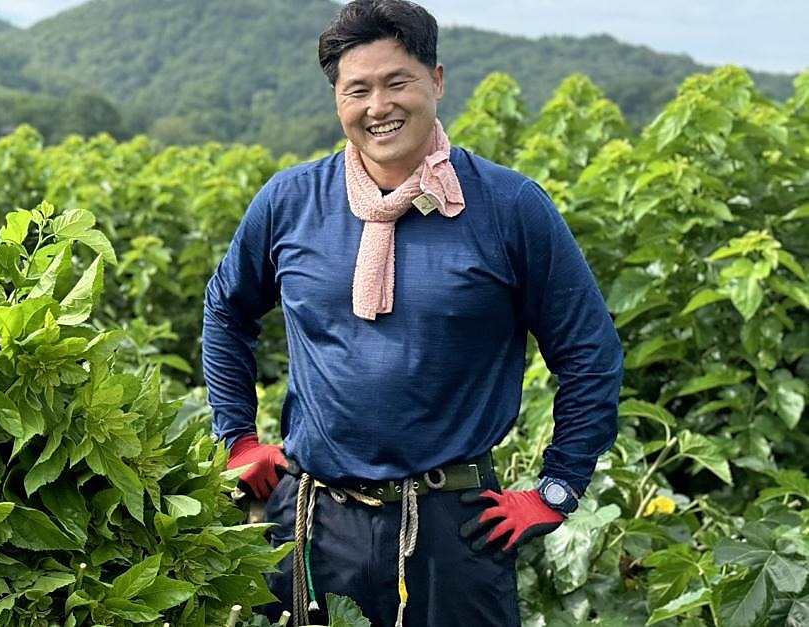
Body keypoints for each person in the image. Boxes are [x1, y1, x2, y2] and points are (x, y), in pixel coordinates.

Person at [200, 1, 624, 625]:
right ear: (338, 100)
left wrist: (557, 488)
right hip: (312, 520)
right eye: (358, 90)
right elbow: (226, 309)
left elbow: (590, 352)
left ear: (437, 81)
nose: (379, 106)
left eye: (397, 82)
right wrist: (237, 439)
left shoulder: (510, 206)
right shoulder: (290, 201)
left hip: (455, 527)